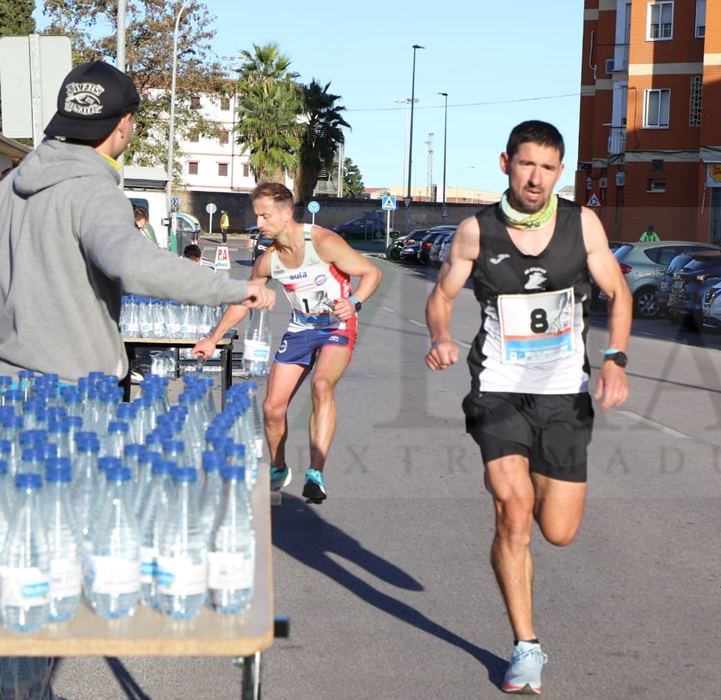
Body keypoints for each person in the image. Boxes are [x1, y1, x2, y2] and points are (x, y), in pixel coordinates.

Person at [425, 120, 632, 695]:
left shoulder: (582, 224)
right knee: (513, 514)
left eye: (547, 167)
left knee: (559, 531)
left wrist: (614, 358)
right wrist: (440, 336)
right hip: (498, 387)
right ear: (505, 164)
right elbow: (440, 296)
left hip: (564, 394)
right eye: (526, 165)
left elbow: (618, 293)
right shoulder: (476, 231)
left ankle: (535, 492)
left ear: (559, 172)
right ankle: (526, 645)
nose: (536, 177)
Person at [0, 60, 274, 384]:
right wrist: (232, 289)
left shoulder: (9, 186)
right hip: (71, 392)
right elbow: (135, 263)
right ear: (124, 123)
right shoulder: (95, 193)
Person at [192, 182, 382, 505]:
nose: (259, 223)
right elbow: (245, 299)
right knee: (271, 409)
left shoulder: (321, 242)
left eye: (265, 216)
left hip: (337, 325)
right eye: (257, 216)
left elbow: (371, 272)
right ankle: (278, 468)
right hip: (300, 329)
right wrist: (213, 337)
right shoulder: (269, 260)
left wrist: (355, 302)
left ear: (286, 214)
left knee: (322, 385)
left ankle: (316, 474)